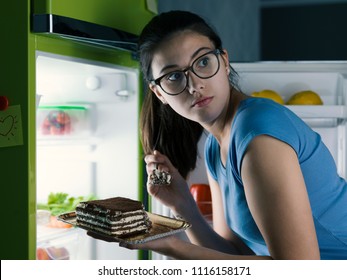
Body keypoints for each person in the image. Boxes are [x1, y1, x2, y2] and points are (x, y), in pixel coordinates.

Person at [89, 10, 347, 260]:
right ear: (159, 94)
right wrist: (183, 205)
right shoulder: (215, 144)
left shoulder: (258, 132)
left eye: (203, 62)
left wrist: (176, 247)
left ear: (224, 61)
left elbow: (299, 269)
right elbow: (232, 253)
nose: (194, 85)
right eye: (174, 76)